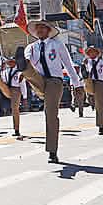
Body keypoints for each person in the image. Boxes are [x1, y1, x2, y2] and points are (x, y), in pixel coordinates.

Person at [14, 20, 83, 164]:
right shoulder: (31, 47)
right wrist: (23, 70)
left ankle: (52, 151)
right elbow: (27, 59)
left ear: (48, 30)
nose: (39, 30)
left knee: (50, 114)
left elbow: (68, 64)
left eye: (42, 28)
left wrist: (76, 83)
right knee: (26, 67)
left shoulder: (57, 44)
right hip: (39, 79)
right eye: (37, 28)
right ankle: (24, 70)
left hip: (54, 81)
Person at [80, 45, 103, 136]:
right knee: (91, 100)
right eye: (90, 52)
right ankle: (90, 101)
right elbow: (82, 74)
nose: (92, 53)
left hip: (99, 83)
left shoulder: (102, 62)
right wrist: (84, 65)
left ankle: (101, 126)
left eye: (93, 52)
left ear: (97, 53)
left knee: (100, 105)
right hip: (89, 82)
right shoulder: (86, 62)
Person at [0, 57, 27, 137]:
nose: (9, 63)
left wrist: (24, 97)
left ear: (15, 63)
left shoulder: (19, 73)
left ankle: (16, 129)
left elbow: (23, 85)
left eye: (11, 62)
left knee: (14, 109)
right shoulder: (5, 72)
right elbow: (3, 80)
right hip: (7, 89)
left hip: (16, 90)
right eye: (8, 62)